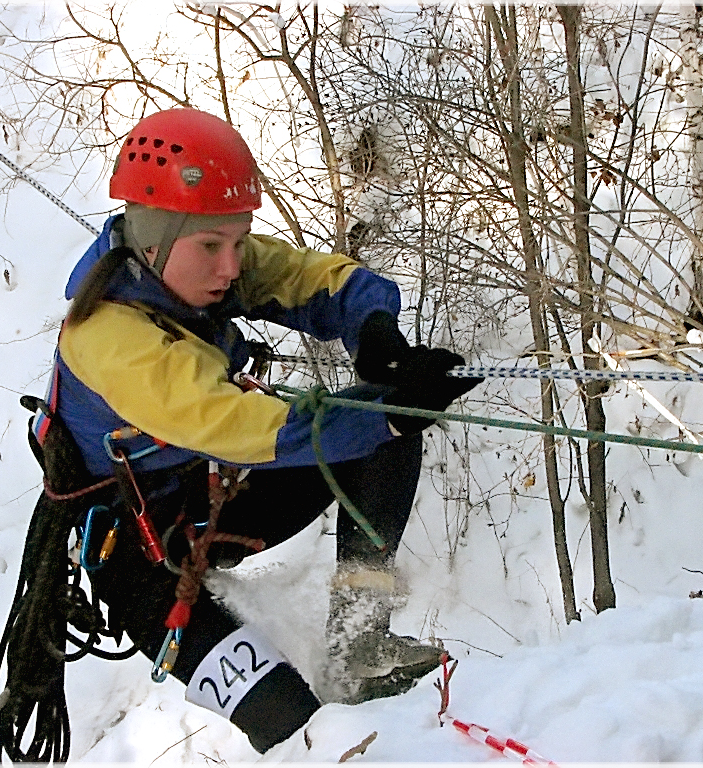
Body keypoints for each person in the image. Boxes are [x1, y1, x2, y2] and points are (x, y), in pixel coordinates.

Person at [32, 107, 480, 754]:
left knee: (384, 428)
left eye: (239, 242)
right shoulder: (112, 341)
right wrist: (382, 411)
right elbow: (244, 425)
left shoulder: (193, 263)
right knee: (296, 725)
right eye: (212, 248)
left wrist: (375, 331)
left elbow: (311, 279)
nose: (231, 266)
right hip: (140, 564)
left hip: (204, 508)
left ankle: (361, 640)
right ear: (154, 242)